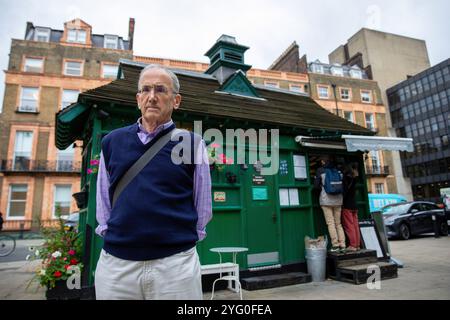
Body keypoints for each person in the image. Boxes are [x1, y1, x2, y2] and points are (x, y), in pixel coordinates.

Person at [94, 64, 212, 300]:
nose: (152, 97)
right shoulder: (111, 142)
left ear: (176, 101)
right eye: (145, 90)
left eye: (160, 90)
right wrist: (115, 237)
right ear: (138, 99)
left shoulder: (192, 144)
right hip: (117, 267)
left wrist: (180, 246)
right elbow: (103, 200)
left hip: (175, 267)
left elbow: (203, 206)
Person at [314, 155, 346, 253]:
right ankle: (343, 244)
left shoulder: (320, 171)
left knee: (330, 223)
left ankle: (335, 245)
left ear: (323, 161)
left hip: (326, 200)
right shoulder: (338, 171)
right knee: (338, 223)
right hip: (338, 200)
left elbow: (316, 186)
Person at [341, 162, 360, 252]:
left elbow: (344, 192)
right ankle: (357, 244)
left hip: (347, 205)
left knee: (349, 226)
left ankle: (352, 245)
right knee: (355, 225)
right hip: (354, 205)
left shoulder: (345, 179)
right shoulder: (354, 179)